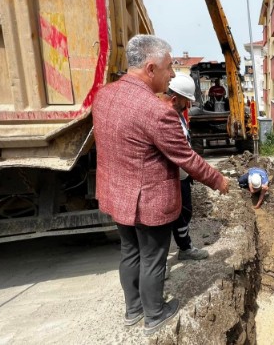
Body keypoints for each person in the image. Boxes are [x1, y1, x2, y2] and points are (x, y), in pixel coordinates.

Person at [92, 34, 230, 336]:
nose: (171, 75)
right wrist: (219, 180)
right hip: (148, 200)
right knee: (153, 257)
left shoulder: (104, 96)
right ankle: (155, 314)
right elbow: (186, 158)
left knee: (129, 252)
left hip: (117, 195)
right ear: (151, 68)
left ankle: (133, 310)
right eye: (169, 68)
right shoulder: (156, 111)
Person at [162, 73, 208, 261]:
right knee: (166, 218)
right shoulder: (164, 118)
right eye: (185, 100)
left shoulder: (178, 115)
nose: (188, 104)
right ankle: (160, 261)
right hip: (169, 177)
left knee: (184, 212)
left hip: (182, 177)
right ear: (174, 98)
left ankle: (185, 248)